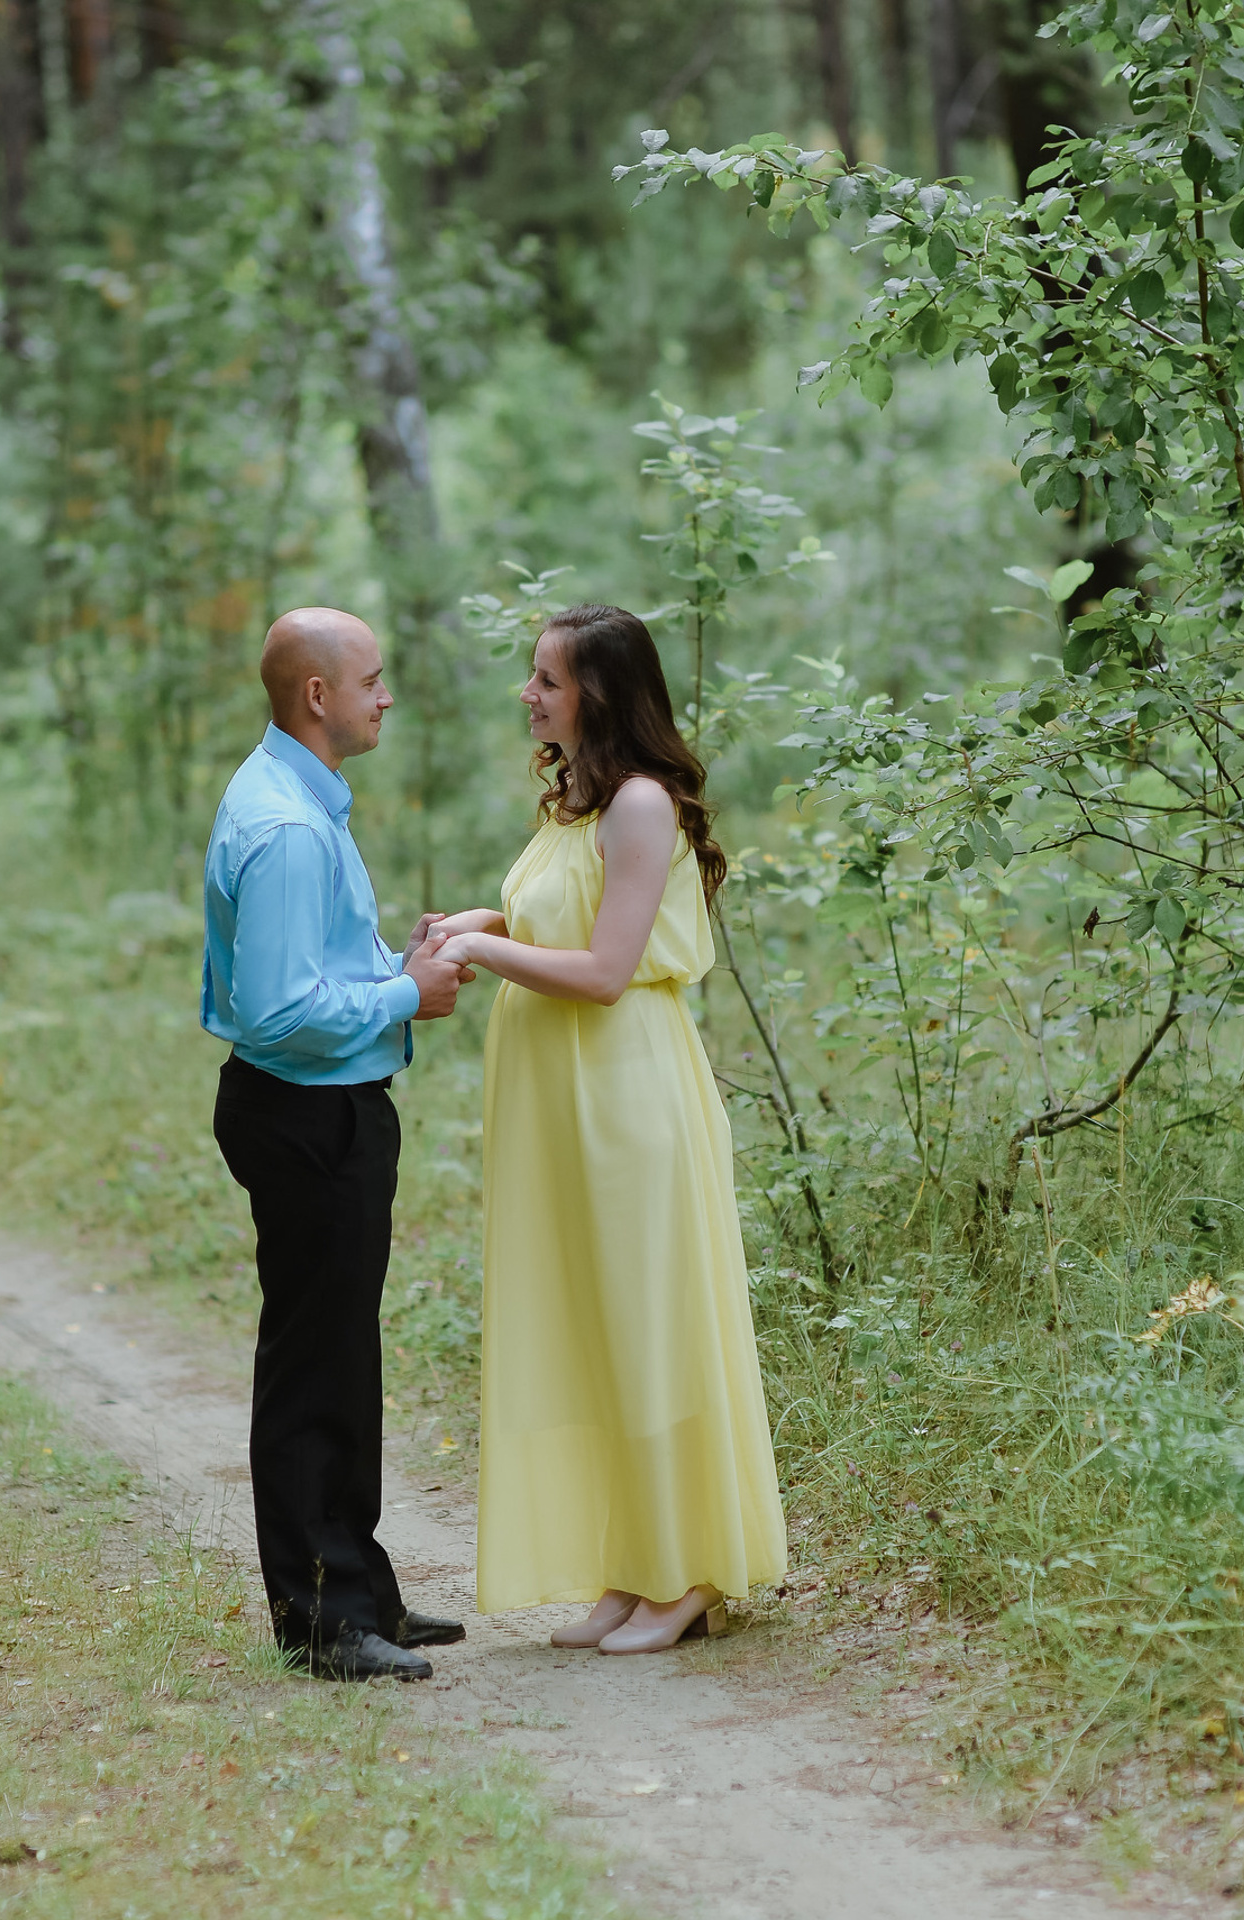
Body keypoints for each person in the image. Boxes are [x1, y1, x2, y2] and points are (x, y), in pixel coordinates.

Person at [430, 603, 788, 1653]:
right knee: (597, 1327)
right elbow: (565, 921)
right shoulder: (576, 804)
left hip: (625, 1095)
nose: (529, 694)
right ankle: (630, 1566)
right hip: (561, 1103)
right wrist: (481, 921)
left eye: (547, 679)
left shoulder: (639, 802)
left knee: (649, 1326)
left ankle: (685, 1573)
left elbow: (603, 969)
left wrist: (479, 956)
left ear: (600, 693)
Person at [203, 606, 474, 1682]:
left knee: (341, 1355)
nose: (385, 696)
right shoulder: (288, 826)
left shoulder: (301, 799)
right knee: (315, 1364)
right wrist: (408, 995)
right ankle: (321, 1621)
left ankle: (361, 1593)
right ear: (318, 695)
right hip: (304, 1114)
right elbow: (275, 1012)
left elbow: (310, 976)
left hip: (327, 1106)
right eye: (371, 680)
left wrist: (393, 968)